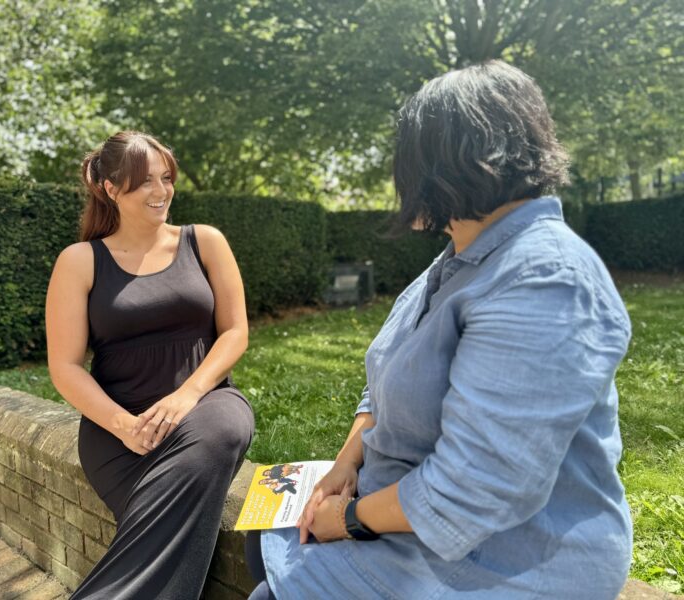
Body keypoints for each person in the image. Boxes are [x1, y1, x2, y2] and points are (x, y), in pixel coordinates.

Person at [246, 60, 632, 599]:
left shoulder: (543, 280)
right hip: (413, 520)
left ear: (450, 164)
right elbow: (385, 377)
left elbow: (473, 491)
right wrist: (345, 463)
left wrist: (350, 518)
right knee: (259, 543)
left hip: (503, 561)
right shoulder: (461, 257)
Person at [45, 130, 254, 599]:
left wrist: (188, 395)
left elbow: (235, 332)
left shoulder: (205, 241)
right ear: (111, 188)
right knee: (159, 534)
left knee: (222, 431)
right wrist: (123, 426)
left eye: (166, 178)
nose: (161, 192)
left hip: (206, 404)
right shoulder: (80, 261)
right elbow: (65, 366)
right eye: (144, 183)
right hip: (116, 435)